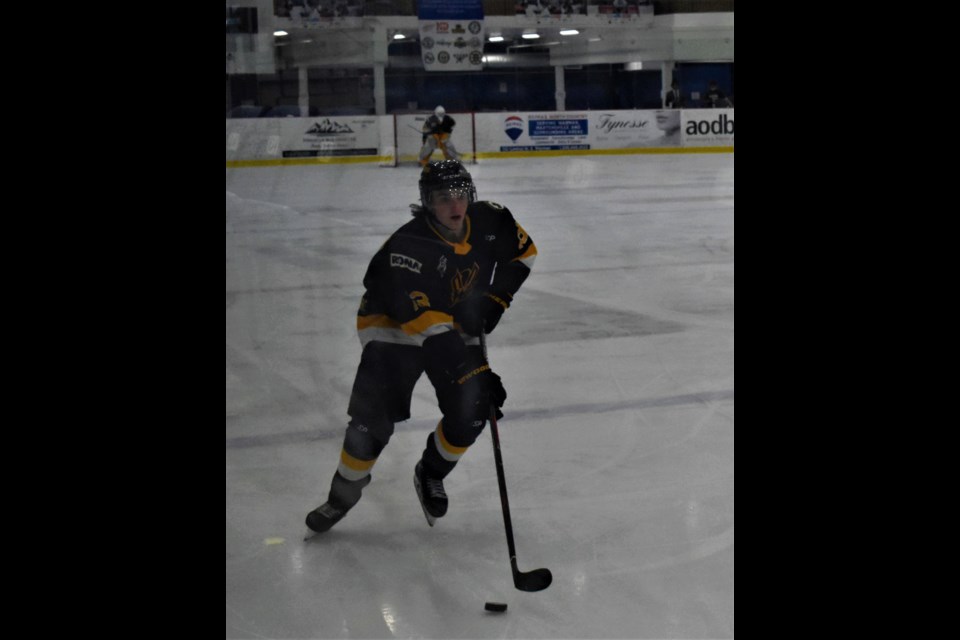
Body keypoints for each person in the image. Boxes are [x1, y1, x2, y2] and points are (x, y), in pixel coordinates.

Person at [305, 160, 538, 534]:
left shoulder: (491, 221)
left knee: (475, 408)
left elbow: (524, 254)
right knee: (371, 423)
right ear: (427, 202)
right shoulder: (409, 245)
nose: (454, 205)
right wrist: (474, 370)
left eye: (459, 195)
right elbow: (430, 329)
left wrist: (495, 299)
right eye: (443, 198)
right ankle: (342, 496)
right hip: (391, 327)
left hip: (446, 322)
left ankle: (430, 472)